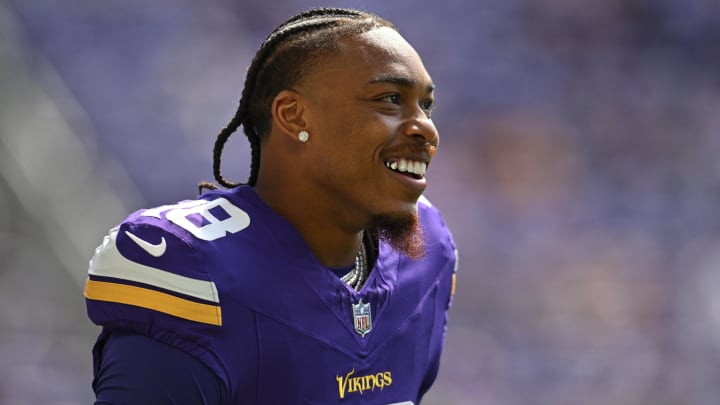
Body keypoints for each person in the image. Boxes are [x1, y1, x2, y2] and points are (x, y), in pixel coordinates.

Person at [84, 7, 458, 404]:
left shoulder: (426, 253)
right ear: (293, 115)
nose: (426, 128)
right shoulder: (191, 267)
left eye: (426, 106)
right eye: (389, 99)